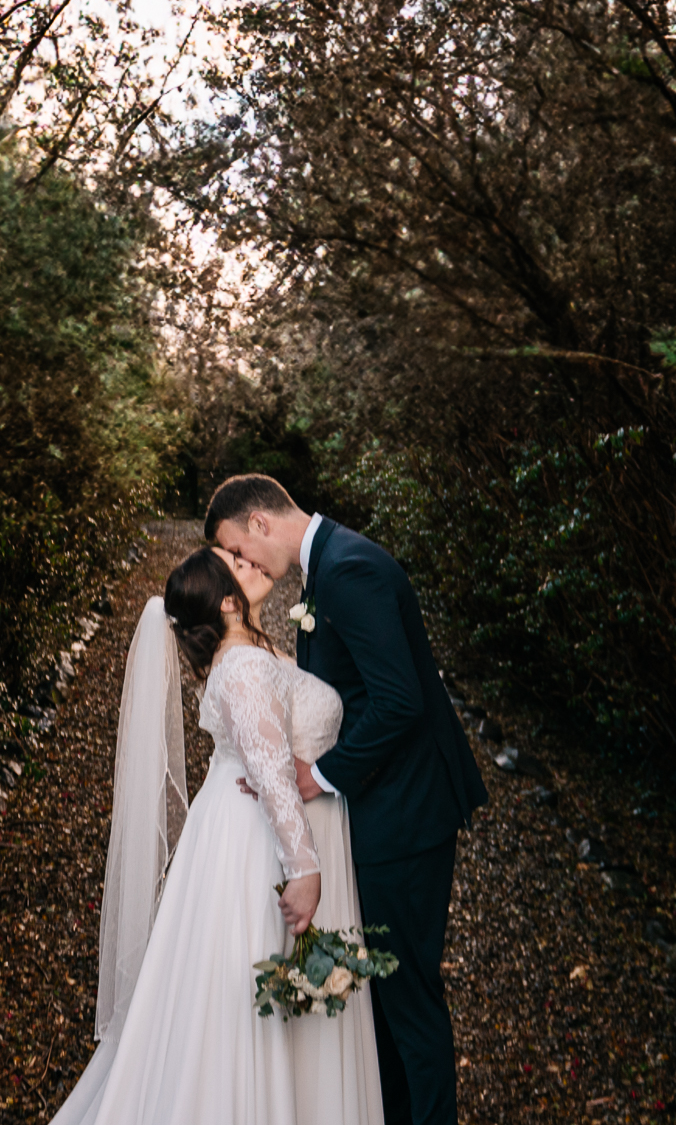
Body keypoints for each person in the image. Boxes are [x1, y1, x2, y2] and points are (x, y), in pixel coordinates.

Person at [49, 546, 383, 1125]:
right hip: (262, 848)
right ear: (229, 598)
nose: (250, 561)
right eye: (237, 561)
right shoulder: (244, 667)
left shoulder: (252, 653)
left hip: (257, 829)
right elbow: (273, 776)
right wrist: (304, 871)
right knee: (251, 998)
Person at [209, 475, 488, 1125]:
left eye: (239, 551)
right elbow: (346, 692)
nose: (245, 567)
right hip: (385, 809)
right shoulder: (329, 566)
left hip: (405, 815)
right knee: (386, 995)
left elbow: (399, 702)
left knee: (408, 998)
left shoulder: (349, 570)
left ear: (258, 522)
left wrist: (321, 776)